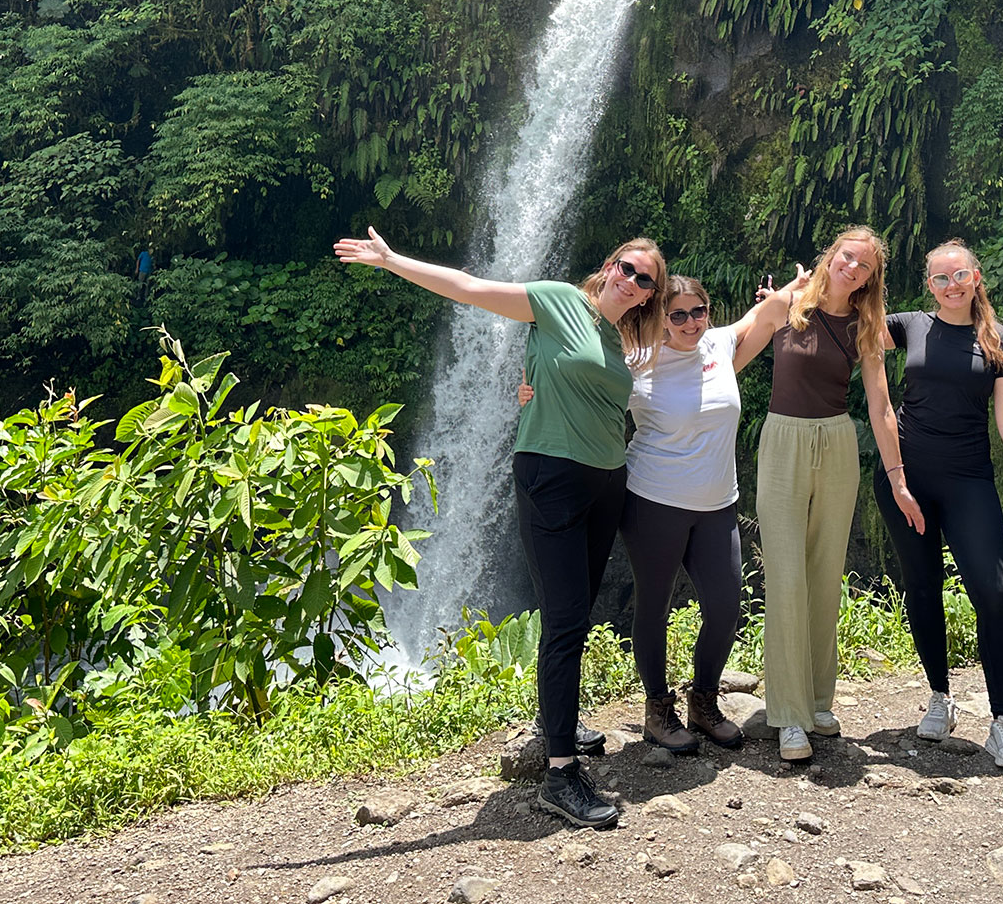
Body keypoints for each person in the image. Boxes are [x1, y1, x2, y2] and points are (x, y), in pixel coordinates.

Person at [333, 227, 666, 828]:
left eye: (645, 279)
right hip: (552, 476)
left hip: (605, 484)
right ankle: (560, 773)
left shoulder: (620, 344)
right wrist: (391, 261)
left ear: (648, 296)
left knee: (576, 613)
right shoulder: (560, 300)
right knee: (565, 620)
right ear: (609, 266)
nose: (631, 279)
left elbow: (708, 343)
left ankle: (555, 721)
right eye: (625, 266)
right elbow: (468, 287)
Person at [522, 266, 810, 754]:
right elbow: (574, 367)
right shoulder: (634, 360)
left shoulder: (720, 345)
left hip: (718, 502)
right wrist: (530, 385)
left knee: (725, 608)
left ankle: (703, 700)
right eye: (678, 315)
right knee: (653, 606)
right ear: (659, 317)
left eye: (699, 311)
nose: (691, 322)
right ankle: (658, 708)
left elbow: (765, 315)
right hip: (653, 499)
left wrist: (794, 288)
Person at [875, 241, 1003, 769]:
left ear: (976, 277)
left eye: (960, 275)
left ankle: (1001, 721)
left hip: (969, 479)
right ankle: (940, 697)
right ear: (929, 285)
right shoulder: (907, 326)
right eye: (940, 278)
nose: (951, 285)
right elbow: (843, 330)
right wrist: (786, 301)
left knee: (994, 592)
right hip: (905, 478)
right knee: (922, 585)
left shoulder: (1001, 341)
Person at [758, 225, 905, 763]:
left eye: (864, 266)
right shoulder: (786, 303)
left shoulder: (865, 325)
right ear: (831, 256)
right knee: (787, 576)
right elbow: (729, 351)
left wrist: (897, 475)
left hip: (838, 441)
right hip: (783, 438)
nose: (853, 269)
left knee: (824, 572)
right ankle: (788, 715)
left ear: (872, 277)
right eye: (848, 258)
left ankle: (819, 699)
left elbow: (881, 405)